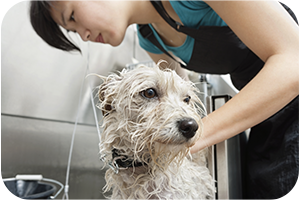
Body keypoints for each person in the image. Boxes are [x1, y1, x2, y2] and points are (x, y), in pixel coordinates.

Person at [30, 1, 299, 198]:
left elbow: (294, 60)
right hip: (270, 105)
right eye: (73, 31)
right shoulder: (150, 39)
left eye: (73, 16)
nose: (84, 35)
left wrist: (197, 134)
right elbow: (176, 97)